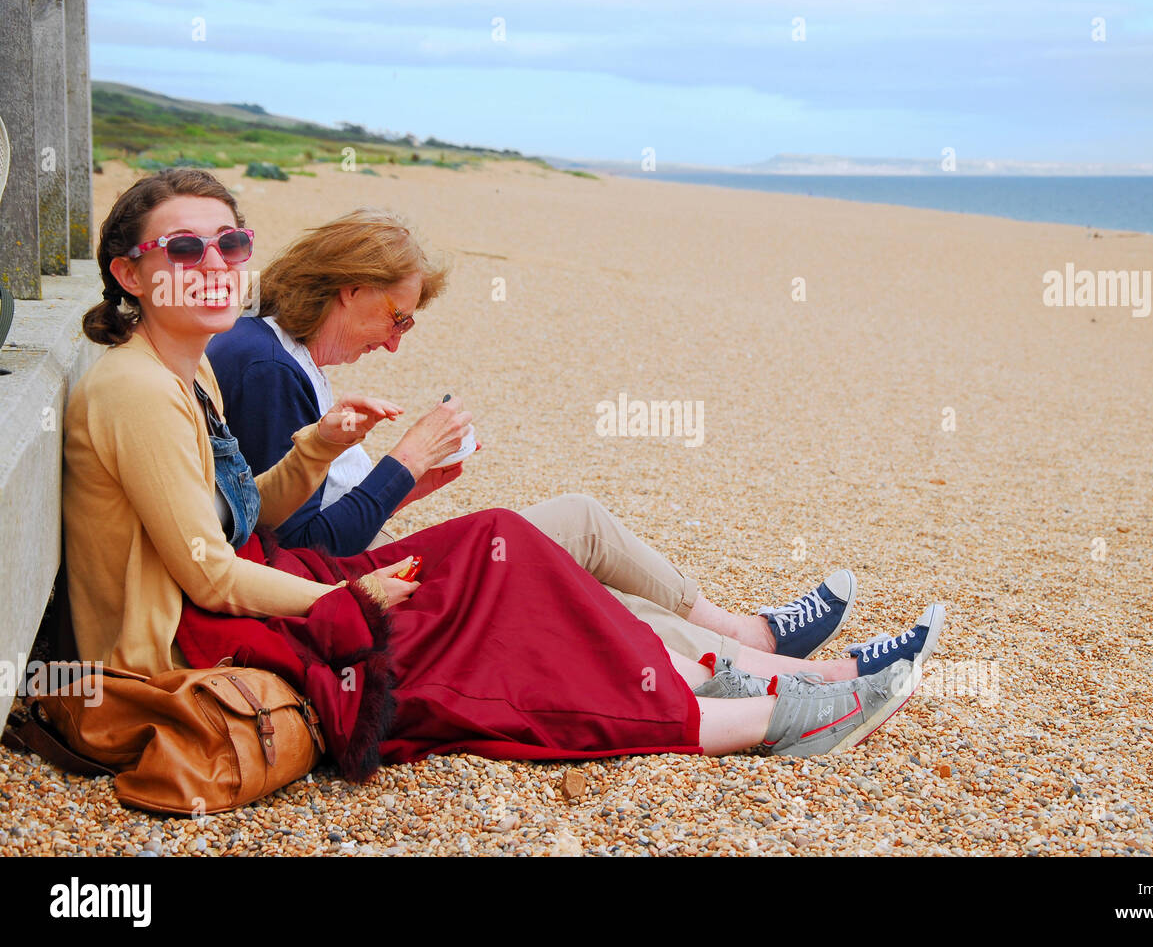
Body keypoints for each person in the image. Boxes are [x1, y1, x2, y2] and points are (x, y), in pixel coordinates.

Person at [62, 168, 935, 770]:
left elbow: (243, 514)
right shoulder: (143, 388)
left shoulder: (194, 366)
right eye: (184, 251)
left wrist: (316, 451)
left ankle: (753, 681)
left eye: (229, 244)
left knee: (504, 554)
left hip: (244, 600)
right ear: (129, 273)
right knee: (492, 613)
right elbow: (213, 573)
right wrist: (351, 592)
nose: (215, 266)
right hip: (177, 656)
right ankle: (758, 710)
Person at [207, 208, 945, 685]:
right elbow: (302, 546)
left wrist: (416, 481)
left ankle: (748, 640)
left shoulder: (276, 353)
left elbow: (298, 511)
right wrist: (401, 464)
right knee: (561, 570)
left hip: (354, 570)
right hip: (344, 591)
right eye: (396, 319)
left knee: (579, 527)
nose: (396, 343)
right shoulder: (270, 367)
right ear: (347, 289)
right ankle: (805, 677)